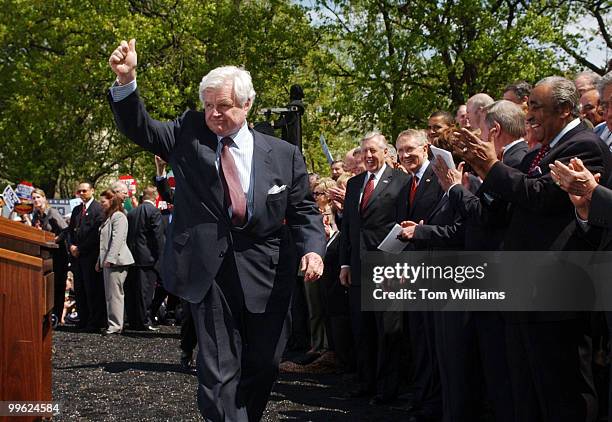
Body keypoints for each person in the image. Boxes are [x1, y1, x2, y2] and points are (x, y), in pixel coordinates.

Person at [108, 38, 325, 421]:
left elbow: (304, 209)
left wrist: (312, 249)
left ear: (247, 104)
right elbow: (140, 128)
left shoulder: (284, 154)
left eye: (222, 106)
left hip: (267, 271)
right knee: (219, 371)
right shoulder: (187, 133)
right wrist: (127, 82)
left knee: (265, 364)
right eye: (208, 105)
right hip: (207, 270)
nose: (213, 114)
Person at [460, 76, 610, 422]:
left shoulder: (583, 145)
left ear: (565, 109)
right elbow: (513, 198)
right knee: (528, 394)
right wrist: (484, 168)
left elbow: (540, 196)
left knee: (563, 395)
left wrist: (492, 165)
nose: (530, 115)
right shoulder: (540, 151)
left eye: (537, 108)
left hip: (557, 293)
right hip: (525, 292)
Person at [338, 131, 410, 405]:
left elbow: (404, 224)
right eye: (364, 151)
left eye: (373, 151)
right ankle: (366, 382)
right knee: (363, 330)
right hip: (357, 267)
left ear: (385, 153)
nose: (368, 156)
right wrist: (345, 263)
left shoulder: (401, 181)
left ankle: (388, 388)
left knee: (387, 332)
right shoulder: (355, 184)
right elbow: (348, 227)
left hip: (388, 268)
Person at [66, 181, 106, 332]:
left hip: (90, 256)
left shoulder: (98, 209)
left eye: (84, 191)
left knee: (92, 290)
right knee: (80, 290)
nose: (81, 193)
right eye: (79, 191)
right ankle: (83, 319)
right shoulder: (77, 210)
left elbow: (95, 234)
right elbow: (70, 231)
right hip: (77, 258)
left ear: (92, 191)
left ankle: (94, 321)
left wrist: (80, 248)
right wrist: (71, 246)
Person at [125, 186, 164, 331]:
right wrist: (161, 256)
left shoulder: (132, 212)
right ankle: (144, 321)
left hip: (133, 256)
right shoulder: (154, 212)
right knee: (146, 292)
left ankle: (134, 320)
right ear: (155, 196)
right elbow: (158, 237)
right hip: (148, 258)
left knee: (135, 291)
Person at [96, 189, 134, 335]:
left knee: (115, 294)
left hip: (117, 261)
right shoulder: (110, 217)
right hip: (109, 261)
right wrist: (99, 260)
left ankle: (116, 325)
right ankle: (113, 323)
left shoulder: (118, 216)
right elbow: (104, 242)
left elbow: (117, 239)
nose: (101, 205)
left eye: (103, 202)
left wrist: (110, 259)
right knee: (111, 294)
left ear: (111, 201)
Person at [31, 188, 69, 322]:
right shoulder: (36, 215)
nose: (36, 200)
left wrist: (55, 240)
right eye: (34, 198)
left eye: (38, 197)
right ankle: (47, 315)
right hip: (44, 255)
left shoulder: (52, 212)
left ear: (44, 198)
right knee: (47, 286)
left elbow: (65, 230)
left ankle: (57, 316)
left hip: (58, 255)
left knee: (57, 285)